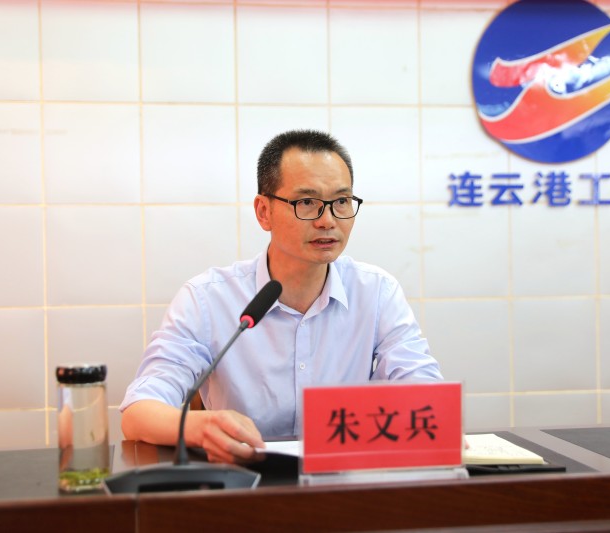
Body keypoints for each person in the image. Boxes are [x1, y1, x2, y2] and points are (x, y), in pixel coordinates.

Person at [120, 129, 443, 464]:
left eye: (341, 202)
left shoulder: (376, 292)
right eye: (307, 203)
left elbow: (426, 395)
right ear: (264, 212)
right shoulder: (208, 299)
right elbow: (138, 413)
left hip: (345, 480)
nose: (328, 221)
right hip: (245, 480)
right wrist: (201, 427)